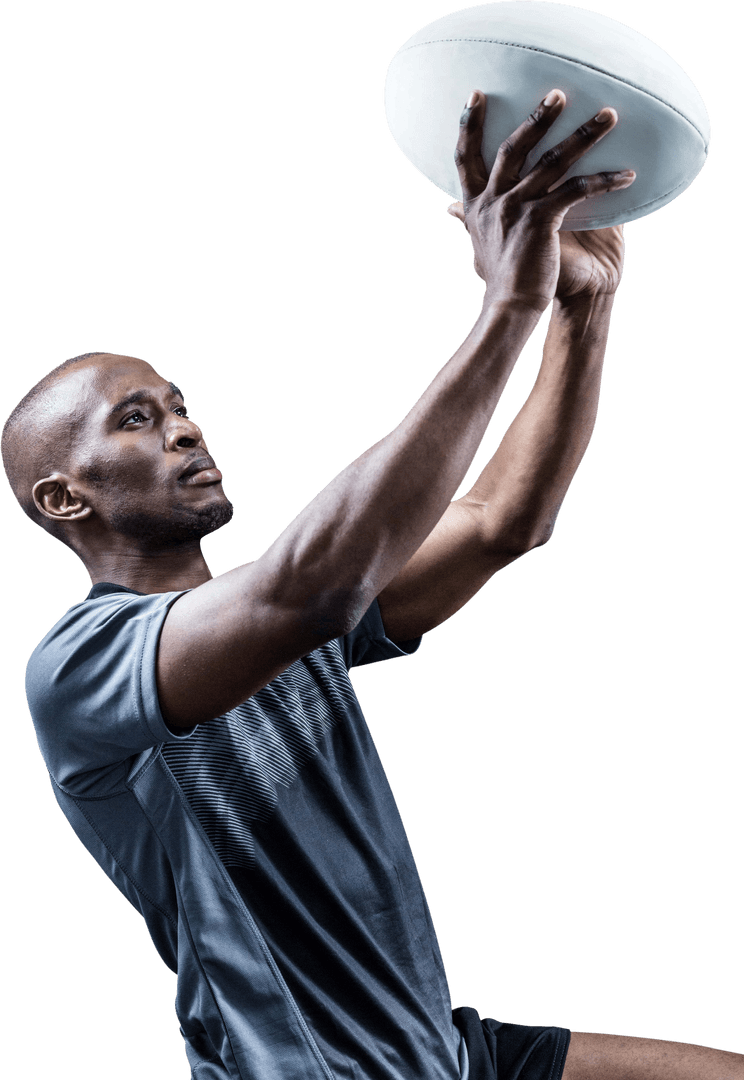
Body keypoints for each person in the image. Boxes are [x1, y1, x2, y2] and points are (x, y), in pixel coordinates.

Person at [3, 89, 741, 1080]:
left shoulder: (283, 626)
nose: (184, 428)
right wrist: (506, 306)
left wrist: (579, 309)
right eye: (134, 420)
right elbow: (310, 588)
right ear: (63, 497)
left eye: (180, 407)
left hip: (439, 1049)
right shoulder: (83, 666)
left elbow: (499, 524)